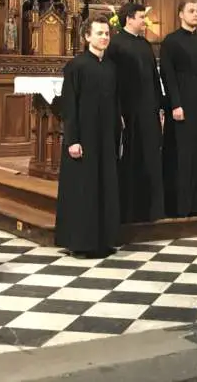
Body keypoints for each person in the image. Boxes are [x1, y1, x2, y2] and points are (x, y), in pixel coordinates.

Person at [55, 15, 122, 257]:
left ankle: (104, 239)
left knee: (104, 186)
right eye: (99, 33)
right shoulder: (77, 66)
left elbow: (115, 103)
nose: (104, 37)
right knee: (84, 189)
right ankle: (81, 242)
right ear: (86, 37)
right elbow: (69, 106)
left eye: (106, 33)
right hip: (83, 138)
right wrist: (72, 140)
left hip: (105, 138)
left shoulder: (112, 67)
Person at [105, 2, 165, 223]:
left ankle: (150, 209)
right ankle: (129, 210)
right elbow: (113, 81)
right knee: (130, 158)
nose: (144, 21)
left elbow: (153, 77)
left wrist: (160, 105)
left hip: (149, 110)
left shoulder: (145, 44)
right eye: (141, 17)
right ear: (129, 19)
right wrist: (118, 109)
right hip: (128, 111)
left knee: (150, 156)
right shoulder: (116, 45)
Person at [159, 1, 197, 217]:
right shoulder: (171, 41)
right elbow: (168, 75)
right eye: (191, 11)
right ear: (180, 15)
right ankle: (180, 205)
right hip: (181, 105)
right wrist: (175, 103)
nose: (196, 14)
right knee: (182, 155)